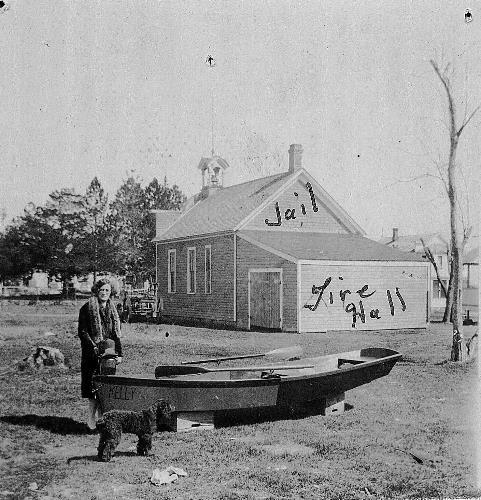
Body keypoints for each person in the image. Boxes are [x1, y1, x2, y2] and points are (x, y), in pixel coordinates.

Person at [78, 278, 123, 430]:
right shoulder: (87, 308)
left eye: (107, 290)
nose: (104, 293)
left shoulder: (113, 309)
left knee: (105, 388)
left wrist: (119, 353)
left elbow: (116, 334)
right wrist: (94, 348)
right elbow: (83, 332)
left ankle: (102, 420)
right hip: (92, 354)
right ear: (97, 291)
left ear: (111, 292)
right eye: (102, 290)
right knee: (92, 389)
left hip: (109, 353)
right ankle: (90, 421)